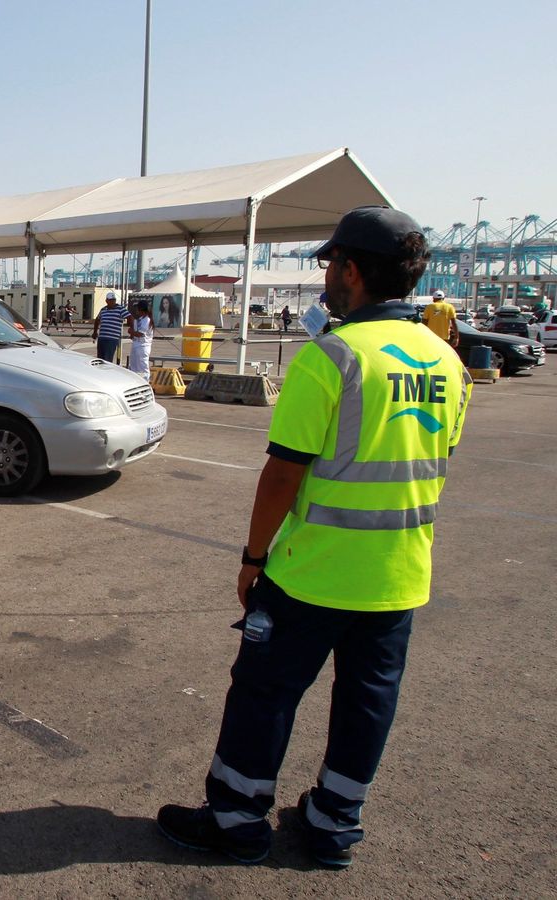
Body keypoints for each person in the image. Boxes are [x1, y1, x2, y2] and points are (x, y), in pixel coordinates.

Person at [156, 206, 472, 869]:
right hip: (399, 575)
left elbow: (282, 475)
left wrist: (252, 558)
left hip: (313, 574)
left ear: (353, 270)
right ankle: (334, 826)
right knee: (367, 703)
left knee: (265, 693)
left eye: (331, 263)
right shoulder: (448, 363)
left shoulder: (334, 356)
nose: (326, 274)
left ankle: (238, 822)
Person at [92, 291, 127, 364]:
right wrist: (95, 332)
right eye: (110, 300)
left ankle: (106, 373)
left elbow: (130, 318)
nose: (112, 302)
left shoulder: (120, 309)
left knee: (107, 360)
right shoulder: (103, 309)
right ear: (106, 301)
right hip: (102, 338)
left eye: (113, 300)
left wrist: (131, 328)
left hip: (112, 339)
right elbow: (97, 320)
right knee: (100, 359)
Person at [126, 298, 153, 375]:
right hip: (136, 344)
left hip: (143, 346)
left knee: (143, 368)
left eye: (138, 308)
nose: (136, 310)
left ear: (142, 309)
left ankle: (145, 382)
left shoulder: (147, 320)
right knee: (134, 366)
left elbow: (141, 334)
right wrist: (132, 334)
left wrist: (132, 332)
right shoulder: (139, 319)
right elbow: (135, 332)